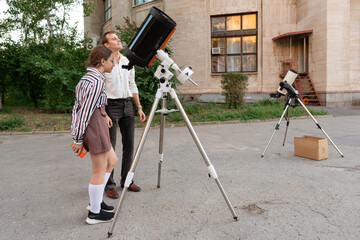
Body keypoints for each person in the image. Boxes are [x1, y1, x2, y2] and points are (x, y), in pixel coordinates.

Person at [71, 45, 118, 224]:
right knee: (99, 169)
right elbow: (83, 111)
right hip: (93, 124)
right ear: (102, 61)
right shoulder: (95, 81)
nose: (114, 64)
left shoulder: (91, 78)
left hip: (98, 120)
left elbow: (88, 105)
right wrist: (77, 138)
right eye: (112, 61)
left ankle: (96, 202)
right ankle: (94, 213)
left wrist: (104, 114)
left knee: (112, 161)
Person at [100, 31, 146, 198]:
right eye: (114, 39)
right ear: (106, 45)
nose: (118, 40)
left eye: (118, 38)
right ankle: (109, 185)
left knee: (129, 146)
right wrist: (103, 112)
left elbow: (132, 85)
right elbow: (99, 89)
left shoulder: (127, 61)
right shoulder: (103, 63)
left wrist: (139, 107)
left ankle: (127, 180)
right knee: (110, 147)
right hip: (110, 107)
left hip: (127, 105)